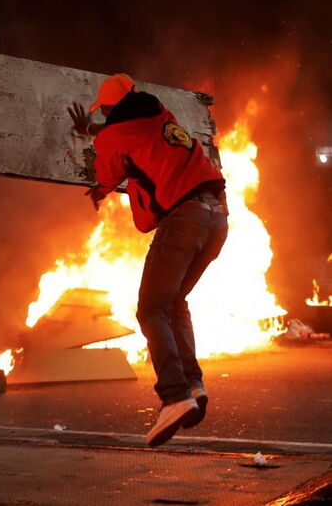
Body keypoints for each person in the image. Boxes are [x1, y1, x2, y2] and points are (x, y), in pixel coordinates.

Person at [68, 73, 228, 447]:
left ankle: (174, 396)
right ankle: (193, 384)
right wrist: (93, 129)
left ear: (109, 108)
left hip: (184, 219)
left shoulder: (113, 134)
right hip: (218, 217)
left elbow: (108, 172)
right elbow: (137, 139)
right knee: (174, 303)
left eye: (104, 110)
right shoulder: (164, 115)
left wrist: (99, 186)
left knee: (151, 309)